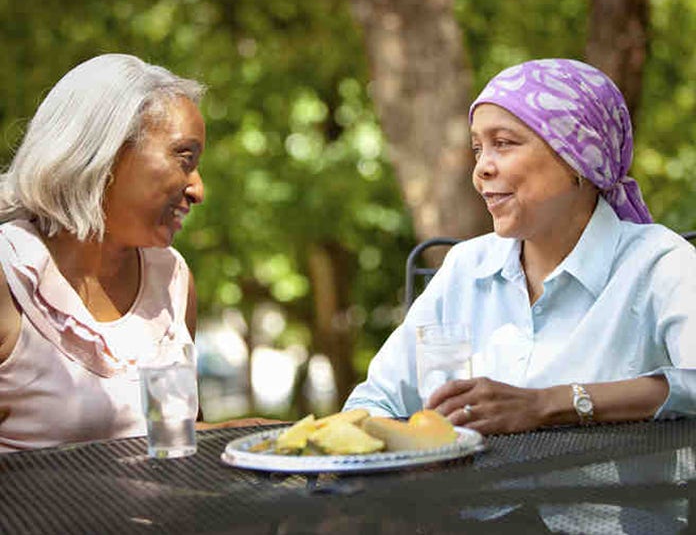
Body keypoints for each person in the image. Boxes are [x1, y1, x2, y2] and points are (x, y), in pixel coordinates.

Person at [344, 58, 696, 435]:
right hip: (463, 495)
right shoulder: (465, 266)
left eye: (504, 143)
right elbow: (375, 400)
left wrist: (550, 404)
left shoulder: (660, 263)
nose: (481, 169)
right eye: (478, 148)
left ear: (580, 156)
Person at [0, 54, 269, 452]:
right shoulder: (11, 275)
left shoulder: (172, 280)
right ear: (105, 153)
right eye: (185, 158)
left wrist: (254, 434)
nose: (198, 189)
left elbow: (169, 441)